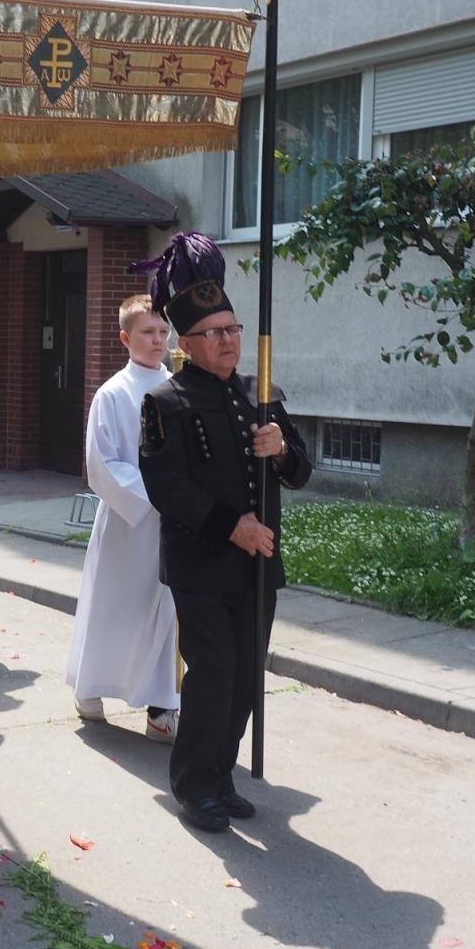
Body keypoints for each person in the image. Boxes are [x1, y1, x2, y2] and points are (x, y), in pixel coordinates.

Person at [136, 232, 312, 834]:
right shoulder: (165, 401)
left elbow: (304, 471)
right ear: (186, 343)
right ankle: (193, 785)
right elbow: (168, 487)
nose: (230, 342)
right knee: (211, 672)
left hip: (258, 565)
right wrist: (231, 527)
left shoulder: (262, 395)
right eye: (215, 333)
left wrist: (282, 448)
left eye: (234, 330)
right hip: (202, 563)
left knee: (244, 677)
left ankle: (222, 773)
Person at [66, 294, 181, 741]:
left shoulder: (178, 387)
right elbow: (103, 464)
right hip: (128, 522)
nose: (157, 341)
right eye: (147, 333)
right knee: (114, 608)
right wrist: (157, 496)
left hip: (174, 522)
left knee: (167, 612)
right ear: (125, 338)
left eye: (161, 331)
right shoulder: (113, 393)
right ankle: (90, 685)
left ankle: (162, 708)